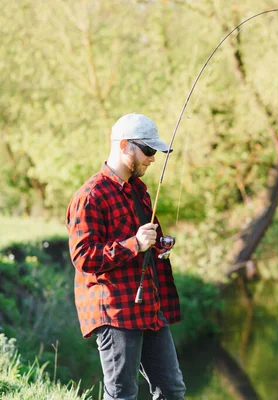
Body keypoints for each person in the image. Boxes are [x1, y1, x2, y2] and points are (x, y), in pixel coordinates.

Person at [66, 113, 186, 400]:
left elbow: (145, 242)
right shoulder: (90, 196)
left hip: (148, 307)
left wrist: (158, 246)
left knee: (171, 390)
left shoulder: (138, 190)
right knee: (122, 394)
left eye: (154, 152)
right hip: (115, 311)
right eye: (148, 150)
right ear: (124, 146)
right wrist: (134, 244)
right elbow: (84, 258)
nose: (152, 158)